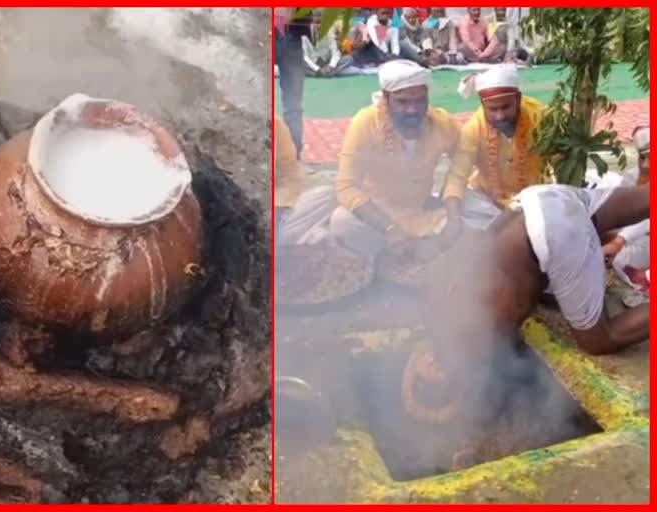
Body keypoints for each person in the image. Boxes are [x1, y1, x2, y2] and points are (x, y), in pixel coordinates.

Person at [427, 184, 650, 365]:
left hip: (553, 233)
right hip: (536, 200)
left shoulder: (475, 331)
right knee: (605, 210)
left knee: (599, 340)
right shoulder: (455, 289)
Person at [277, 60, 461, 258]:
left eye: (419, 101)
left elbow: (463, 164)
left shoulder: (442, 123)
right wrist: (389, 228)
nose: (412, 110)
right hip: (376, 215)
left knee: (467, 220)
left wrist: (449, 203)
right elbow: (346, 187)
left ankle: (409, 251)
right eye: (403, 102)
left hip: (420, 212)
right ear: (386, 98)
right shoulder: (366, 122)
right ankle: (394, 254)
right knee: (342, 222)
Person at [440, 65, 548, 244]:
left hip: (535, 202)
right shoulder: (474, 128)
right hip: (490, 205)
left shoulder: (541, 118)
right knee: (454, 205)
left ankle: (502, 234)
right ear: (483, 105)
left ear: (518, 98)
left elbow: (561, 168)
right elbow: (457, 175)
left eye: (506, 107)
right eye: (492, 109)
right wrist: (452, 221)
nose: (499, 116)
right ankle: (509, 232)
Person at [601, 125, 650, 290]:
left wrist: (618, 241)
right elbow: (620, 206)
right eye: (642, 158)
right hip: (638, 235)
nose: (645, 165)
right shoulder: (634, 174)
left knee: (621, 260)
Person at [275, 7, 310, 158]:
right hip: (290, 38)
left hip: (280, 35)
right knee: (293, 106)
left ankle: (290, 153)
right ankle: (293, 155)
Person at [274, 115, 305, 242]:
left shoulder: (276, 125)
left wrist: (279, 205)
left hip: (278, 209)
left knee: (325, 195)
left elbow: (291, 175)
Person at [302, 12, 354, 77]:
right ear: (312, 24)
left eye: (320, 23)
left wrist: (331, 66)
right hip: (313, 66)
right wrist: (317, 69)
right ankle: (326, 74)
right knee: (299, 62)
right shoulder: (304, 36)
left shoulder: (328, 35)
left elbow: (335, 53)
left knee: (349, 58)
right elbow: (304, 57)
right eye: (316, 22)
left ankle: (326, 73)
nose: (318, 25)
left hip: (326, 64)